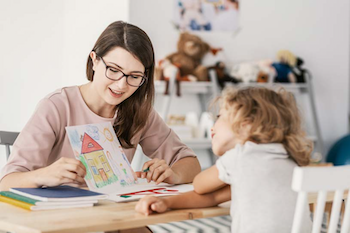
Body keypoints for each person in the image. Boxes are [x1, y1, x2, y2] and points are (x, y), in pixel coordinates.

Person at [0, 21, 201, 191]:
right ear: (94, 60)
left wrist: (173, 174)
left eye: (134, 76)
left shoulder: (139, 111)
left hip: (111, 217)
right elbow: (6, 182)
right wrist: (43, 175)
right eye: (113, 70)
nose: (121, 85)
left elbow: (190, 163)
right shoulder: (57, 106)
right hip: (57, 218)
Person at [135, 86, 313, 233]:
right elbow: (215, 196)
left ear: (246, 125)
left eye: (219, 117)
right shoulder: (288, 159)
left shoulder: (241, 157)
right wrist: (166, 202)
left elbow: (200, 185)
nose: (213, 125)